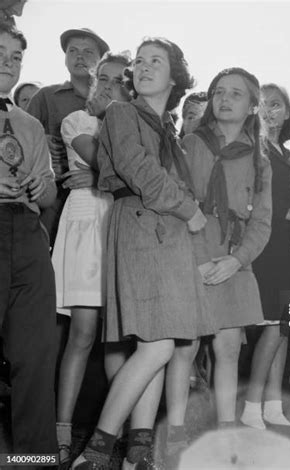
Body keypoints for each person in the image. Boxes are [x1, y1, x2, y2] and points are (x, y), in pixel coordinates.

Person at [72, 37, 214, 470]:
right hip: (140, 223)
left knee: (160, 345)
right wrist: (190, 210)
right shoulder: (121, 112)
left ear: (176, 77)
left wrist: (189, 211)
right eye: (141, 61)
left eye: (158, 61)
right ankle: (94, 454)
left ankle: (138, 454)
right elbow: (139, 171)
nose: (145, 67)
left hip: (167, 232)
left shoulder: (168, 128)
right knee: (157, 347)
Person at [180, 67, 272, 433]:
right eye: (219, 91)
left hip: (235, 258)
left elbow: (262, 222)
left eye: (236, 93)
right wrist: (201, 261)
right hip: (193, 251)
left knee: (229, 348)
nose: (224, 98)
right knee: (183, 350)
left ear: (252, 106)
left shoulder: (260, 160)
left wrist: (236, 260)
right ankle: (173, 431)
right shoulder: (192, 143)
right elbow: (181, 204)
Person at [51, 51, 132, 468]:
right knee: (82, 333)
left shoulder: (130, 125)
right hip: (86, 223)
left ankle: (116, 436)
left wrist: (105, 177)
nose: (108, 85)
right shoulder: (77, 121)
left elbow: (136, 171)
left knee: (119, 336)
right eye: (103, 78)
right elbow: (107, 161)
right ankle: (61, 435)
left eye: (119, 80)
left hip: (121, 225)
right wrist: (104, 177)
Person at [240, 83, 290, 438]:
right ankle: (250, 408)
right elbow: (250, 204)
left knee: (285, 328)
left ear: (288, 113)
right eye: (263, 104)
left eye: (276, 104)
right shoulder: (251, 148)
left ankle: (273, 408)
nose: (269, 110)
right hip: (268, 245)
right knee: (274, 326)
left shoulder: (288, 153)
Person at [0, 22, 58, 463]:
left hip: (28, 234)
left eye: (16, 56)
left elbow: (52, 190)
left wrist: (42, 187)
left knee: (35, 353)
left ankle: (33, 458)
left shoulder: (29, 124)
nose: (8, 62)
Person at [26, 27, 109, 246]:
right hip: (51, 201)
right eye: (72, 51)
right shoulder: (45, 97)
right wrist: (40, 142)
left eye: (88, 51)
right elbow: (18, 143)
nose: (79, 56)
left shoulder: (115, 101)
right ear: (65, 58)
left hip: (102, 199)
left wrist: (98, 177)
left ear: (102, 60)